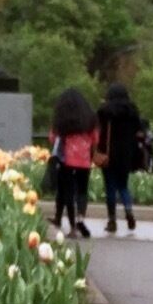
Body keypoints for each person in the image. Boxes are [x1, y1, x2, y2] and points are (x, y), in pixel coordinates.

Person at [96, 82, 147, 234]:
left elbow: (99, 130)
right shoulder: (132, 111)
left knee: (110, 187)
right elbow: (140, 131)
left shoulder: (105, 111)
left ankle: (112, 220)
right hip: (126, 155)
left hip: (109, 154)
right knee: (123, 186)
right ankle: (128, 210)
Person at [49, 86, 98, 240]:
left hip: (67, 161)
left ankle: (72, 227)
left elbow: (52, 137)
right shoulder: (89, 119)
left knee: (68, 193)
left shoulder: (62, 120)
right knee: (82, 192)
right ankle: (80, 219)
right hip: (84, 161)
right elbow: (95, 138)